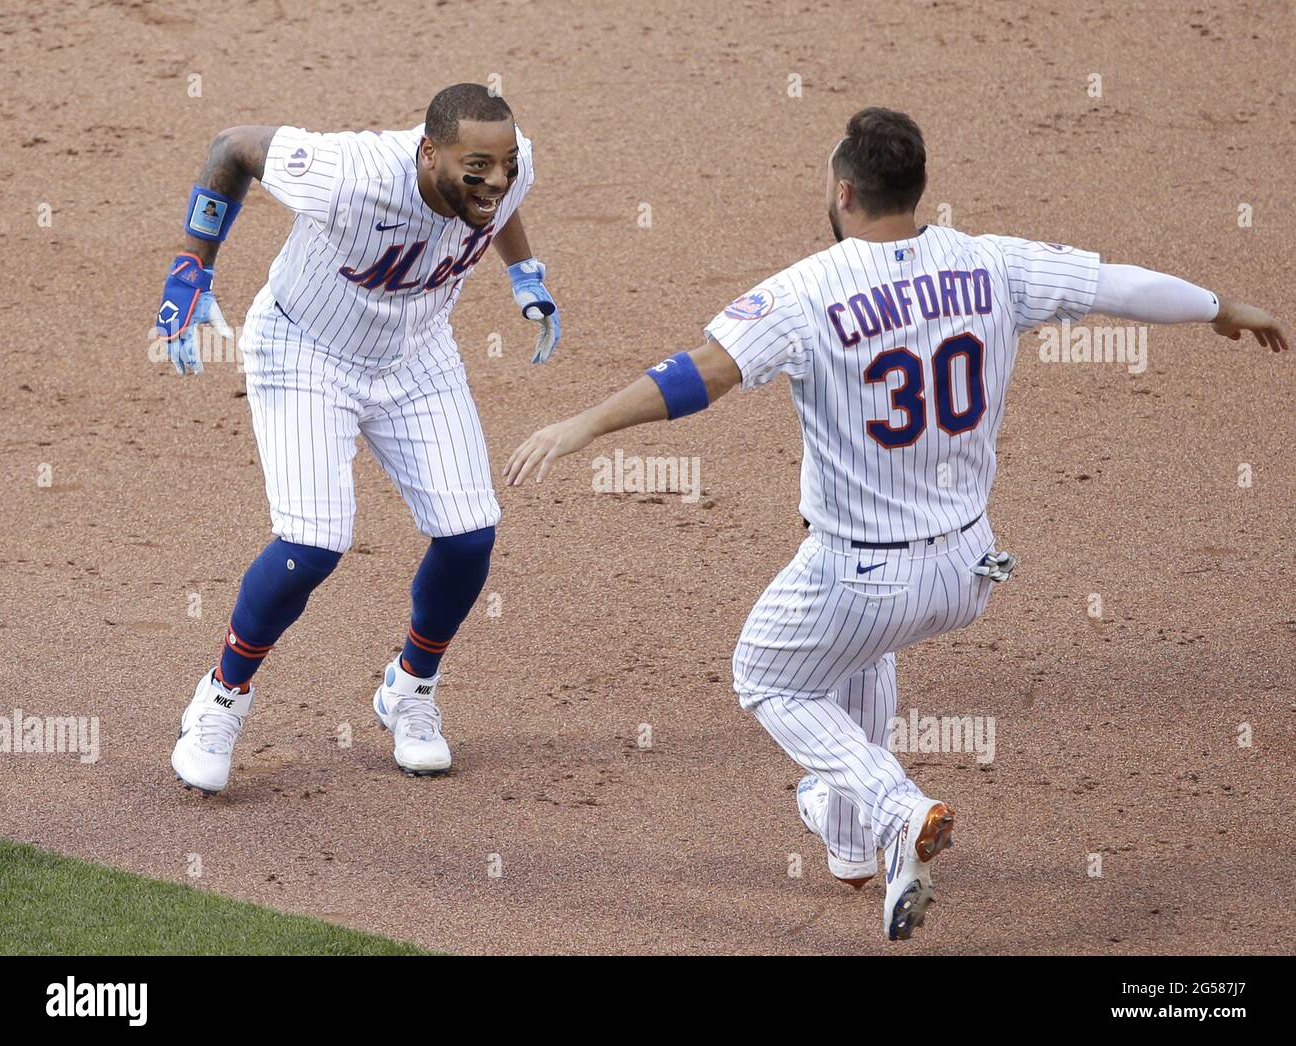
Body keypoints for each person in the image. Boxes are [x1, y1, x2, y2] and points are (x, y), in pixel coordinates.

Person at [503, 107, 1287, 941]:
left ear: (844, 190)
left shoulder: (808, 289)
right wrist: (1220, 307)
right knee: (856, 655)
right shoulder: (990, 262)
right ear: (919, 189)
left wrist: (582, 424)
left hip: (860, 572)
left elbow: (701, 376)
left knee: (768, 674)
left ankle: (893, 808)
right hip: (971, 569)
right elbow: (1115, 284)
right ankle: (850, 846)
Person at [156, 83, 561, 794]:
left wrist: (523, 271)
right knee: (312, 543)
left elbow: (500, 201)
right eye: (476, 167)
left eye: (502, 164)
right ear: (429, 152)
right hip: (305, 348)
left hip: (416, 352)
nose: (495, 179)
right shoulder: (349, 172)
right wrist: (194, 264)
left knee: (469, 533)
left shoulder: (508, 161)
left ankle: (410, 688)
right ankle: (222, 697)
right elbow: (233, 146)